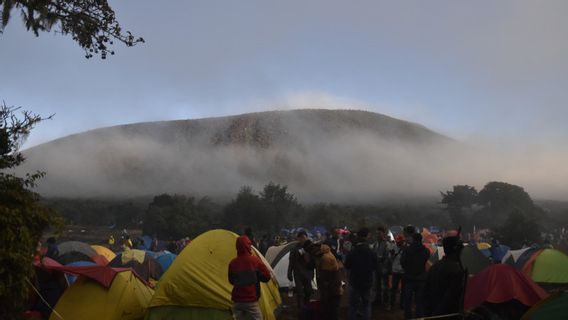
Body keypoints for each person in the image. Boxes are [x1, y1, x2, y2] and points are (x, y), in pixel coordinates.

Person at [228, 235, 271, 320]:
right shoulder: (255, 261)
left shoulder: (232, 263)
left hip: (237, 301)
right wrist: (258, 275)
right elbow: (267, 277)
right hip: (251, 300)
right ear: (248, 246)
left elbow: (231, 280)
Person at [424, 234, 466, 318]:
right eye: (460, 250)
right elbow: (451, 296)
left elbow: (425, 291)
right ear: (456, 250)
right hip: (447, 314)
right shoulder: (456, 270)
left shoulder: (435, 266)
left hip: (432, 311)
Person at [344, 227, 378, 320]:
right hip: (367, 282)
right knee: (366, 305)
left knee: (353, 306)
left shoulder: (352, 252)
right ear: (367, 237)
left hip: (354, 281)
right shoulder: (371, 252)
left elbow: (347, 265)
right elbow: (376, 266)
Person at [305, 241, 343, 320]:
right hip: (330, 289)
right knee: (329, 311)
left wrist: (324, 295)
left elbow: (326, 279)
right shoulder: (322, 255)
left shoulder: (326, 258)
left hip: (333, 290)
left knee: (332, 313)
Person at [400, 232, 430, 319]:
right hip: (421, 278)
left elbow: (402, 262)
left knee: (408, 299)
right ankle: (419, 316)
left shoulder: (407, 250)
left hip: (409, 277)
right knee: (419, 299)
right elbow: (426, 259)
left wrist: (408, 269)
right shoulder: (426, 250)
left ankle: (408, 315)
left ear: (413, 239)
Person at [287, 230, 315, 312]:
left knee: (308, 290)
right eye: (301, 238)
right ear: (298, 239)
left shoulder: (311, 248)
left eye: (304, 237)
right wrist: (289, 273)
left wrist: (313, 273)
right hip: (298, 273)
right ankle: (300, 307)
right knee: (300, 292)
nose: (303, 239)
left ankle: (306, 304)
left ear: (307, 237)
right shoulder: (294, 248)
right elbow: (291, 261)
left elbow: (313, 262)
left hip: (308, 273)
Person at [372, 226, 391, 308]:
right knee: (377, 285)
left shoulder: (387, 244)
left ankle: (386, 302)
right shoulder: (375, 243)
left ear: (383, 233)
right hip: (376, 268)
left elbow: (388, 258)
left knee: (385, 286)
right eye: (376, 233)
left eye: (379, 233)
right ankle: (378, 300)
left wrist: (385, 268)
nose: (377, 235)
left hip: (383, 268)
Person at [390, 234, 406, 310]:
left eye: (400, 241)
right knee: (394, 288)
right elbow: (390, 258)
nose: (398, 243)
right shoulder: (393, 247)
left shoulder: (406, 248)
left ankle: (402, 304)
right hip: (395, 271)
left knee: (403, 289)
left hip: (403, 271)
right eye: (398, 241)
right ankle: (391, 303)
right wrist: (392, 255)